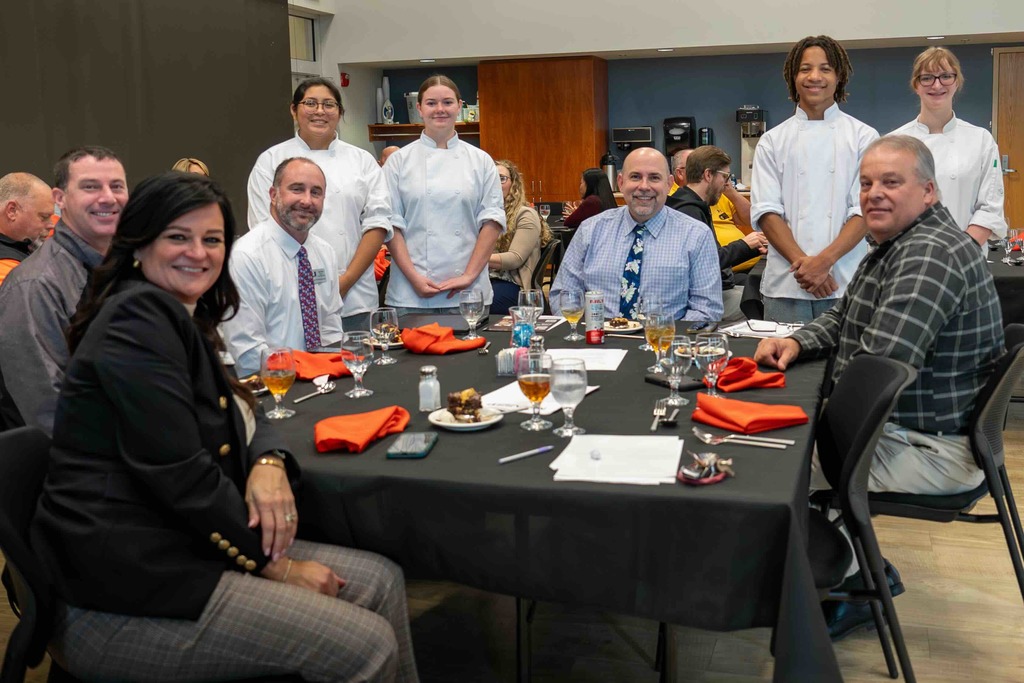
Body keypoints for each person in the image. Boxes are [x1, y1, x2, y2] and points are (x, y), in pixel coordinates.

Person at [29, 171, 418, 682]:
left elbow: (247, 405)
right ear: (139, 245)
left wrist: (269, 461)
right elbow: (181, 477)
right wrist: (278, 568)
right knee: (365, 645)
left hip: (179, 545)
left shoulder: (176, 314)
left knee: (382, 581)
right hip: (125, 588)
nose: (198, 253)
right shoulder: (135, 324)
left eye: (212, 240)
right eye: (178, 237)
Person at [754, 136, 1004, 639]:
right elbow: (844, 319)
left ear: (928, 191)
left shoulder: (929, 255)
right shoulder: (900, 243)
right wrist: (797, 343)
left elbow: (874, 372)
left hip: (934, 449)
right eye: (867, 183)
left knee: (770, 467)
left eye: (892, 182)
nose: (874, 194)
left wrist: (808, 416)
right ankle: (861, 568)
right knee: (783, 446)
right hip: (920, 430)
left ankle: (851, 584)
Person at [751, 35, 879, 323]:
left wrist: (824, 262)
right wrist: (806, 267)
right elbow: (767, 212)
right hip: (786, 285)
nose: (815, 77)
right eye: (805, 69)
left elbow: (865, 210)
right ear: (792, 77)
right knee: (782, 353)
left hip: (844, 281)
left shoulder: (864, 137)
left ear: (839, 76)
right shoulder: (772, 141)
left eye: (825, 69)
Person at [0, 146, 127, 434]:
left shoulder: (131, 268)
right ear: (61, 199)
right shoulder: (34, 286)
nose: (108, 197)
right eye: (90, 186)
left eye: (117, 186)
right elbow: (48, 411)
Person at [248, 77, 391, 331]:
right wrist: (302, 286)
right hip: (289, 297)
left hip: (354, 296)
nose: (320, 111)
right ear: (294, 110)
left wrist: (343, 283)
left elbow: (378, 224)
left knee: (355, 355)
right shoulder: (270, 160)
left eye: (329, 104)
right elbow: (263, 230)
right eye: (310, 103)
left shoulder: (362, 161)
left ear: (339, 112)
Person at [549, 147, 722, 321]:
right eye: (635, 177)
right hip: (597, 335)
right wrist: (586, 331)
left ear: (669, 184)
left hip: (664, 336)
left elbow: (706, 309)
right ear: (620, 182)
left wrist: (666, 334)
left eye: (654, 177)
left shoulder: (696, 235)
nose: (644, 186)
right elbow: (564, 294)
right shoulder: (590, 230)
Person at [383, 74, 505, 315]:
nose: (440, 109)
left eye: (447, 102)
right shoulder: (398, 162)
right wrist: (414, 278)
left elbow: (492, 221)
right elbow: (390, 225)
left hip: (468, 292)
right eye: (431, 103)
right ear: (420, 108)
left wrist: (469, 275)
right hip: (410, 293)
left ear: (459, 106)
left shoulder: (481, 161)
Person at [223, 158, 344, 377]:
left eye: (316, 192)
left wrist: (327, 369)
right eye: (297, 189)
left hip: (321, 379)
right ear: (273, 194)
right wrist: (302, 369)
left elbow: (330, 328)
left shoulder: (325, 253)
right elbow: (247, 352)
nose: (307, 201)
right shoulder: (246, 257)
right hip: (271, 384)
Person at [890, 46, 1006, 245]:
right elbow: (888, 208)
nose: (937, 85)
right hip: (910, 254)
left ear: (956, 82)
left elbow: (989, 209)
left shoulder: (981, 140)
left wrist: (959, 252)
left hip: (967, 254)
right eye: (927, 78)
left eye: (945, 76)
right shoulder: (895, 142)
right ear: (916, 85)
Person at [666, 146, 767, 321]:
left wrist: (751, 247)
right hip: (700, 299)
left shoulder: (690, 204)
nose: (726, 184)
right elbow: (707, 262)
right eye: (725, 177)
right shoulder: (689, 211)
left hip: (717, 288)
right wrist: (745, 245)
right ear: (708, 175)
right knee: (765, 303)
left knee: (759, 293)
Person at [488, 159, 553, 315]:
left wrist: (476, 258)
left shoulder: (525, 214)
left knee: (473, 302)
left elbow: (515, 258)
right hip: (486, 280)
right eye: (490, 178)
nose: (495, 183)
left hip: (517, 287)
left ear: (514, 184)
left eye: (501, 178)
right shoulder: (485, 215)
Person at [0, 172, 53, 285]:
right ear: (12, 210)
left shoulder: (23, 242)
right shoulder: (6, 266)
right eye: (44, 217)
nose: (51, 225)